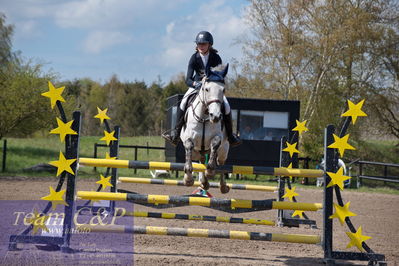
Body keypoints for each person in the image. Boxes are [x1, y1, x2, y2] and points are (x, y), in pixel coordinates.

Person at [162, 31, 241, 147]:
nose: (201, 46)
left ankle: (230, 136)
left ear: (209, 45)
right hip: (197, 87)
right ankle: (176, 134)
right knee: (183, 103)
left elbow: (218, 76)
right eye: (199, 44)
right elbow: (188, 79)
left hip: (212, 88)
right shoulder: (194, 58)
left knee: (227, 106)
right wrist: (196, 84)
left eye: (203, 44)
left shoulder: (216, 58)